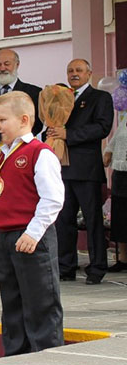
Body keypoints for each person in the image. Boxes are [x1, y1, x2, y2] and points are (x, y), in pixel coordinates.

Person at [0, 91, 64, 355]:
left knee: (40, 301)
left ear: (24, 120)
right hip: (3, 235)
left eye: (2, 120)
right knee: (11, 302)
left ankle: (46, 359)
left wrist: (33, 232)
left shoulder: (39, 152)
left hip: (30, 235)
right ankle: (15, 356)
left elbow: (52, 198)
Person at [48, 59, 114, 284]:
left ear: (89, 73)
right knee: (63, 221)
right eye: (70, 71)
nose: (74, 74)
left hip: (87, 170)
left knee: (92, 221)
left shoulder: (100, 97)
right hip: (62, 169)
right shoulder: (61, 99)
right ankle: (65, 267)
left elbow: (102, 128)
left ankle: (96, 268)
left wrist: (69, 135)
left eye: (79, 70)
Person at [0, 49, 43, 135]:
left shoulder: (34, 92)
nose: (2, 68)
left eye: (7, 64)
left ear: (17, 65)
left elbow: (37, 124)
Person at [104, 118, 127, 272]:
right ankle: (123, 259)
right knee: (121, 218)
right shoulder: (125, 121)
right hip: (121, 174)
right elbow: (114, 140)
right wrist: (108, 151)